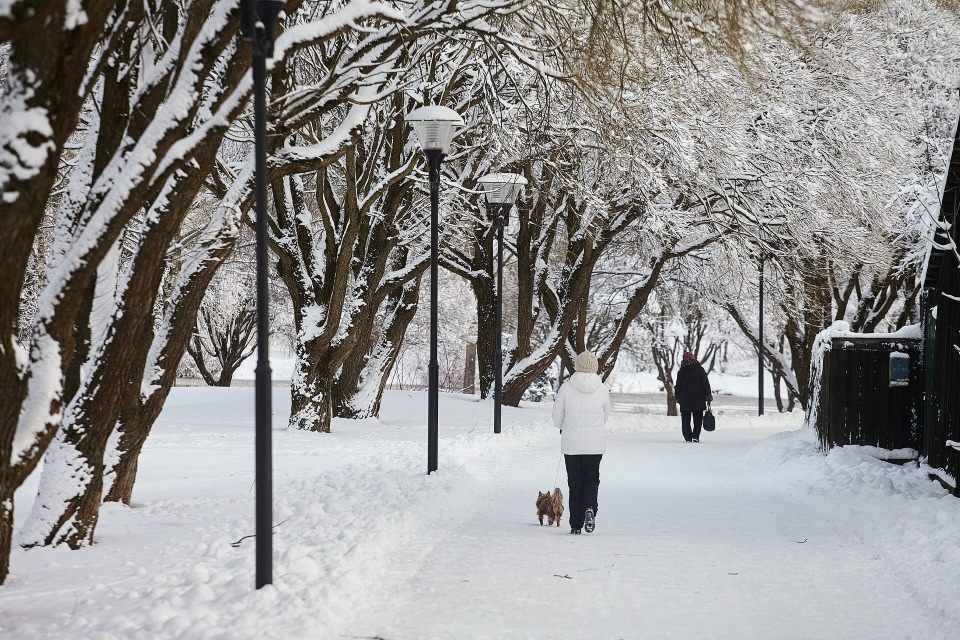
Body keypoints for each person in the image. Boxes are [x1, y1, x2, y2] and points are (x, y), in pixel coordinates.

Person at [553, 350, 610, 534]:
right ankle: (590, 508)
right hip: (594, 445)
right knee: (592, 480)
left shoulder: (566, 388)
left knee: (575, 483)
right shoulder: (602, 389)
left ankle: (576, 524)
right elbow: (605, 416)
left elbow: (557, 418)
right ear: (595, 367)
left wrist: (564, 426)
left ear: (577, 366)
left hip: (572, 445)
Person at [674, 351, 713, 443]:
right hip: (698, 399)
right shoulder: (700, 369)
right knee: (698, 419)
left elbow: (678, 386)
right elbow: (705, 383)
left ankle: (688, 438)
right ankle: (695, 437)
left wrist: (678, 397)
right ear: (693, 358)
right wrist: (708, 395)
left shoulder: (681, 371)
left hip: (685, 400)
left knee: (685, 420)